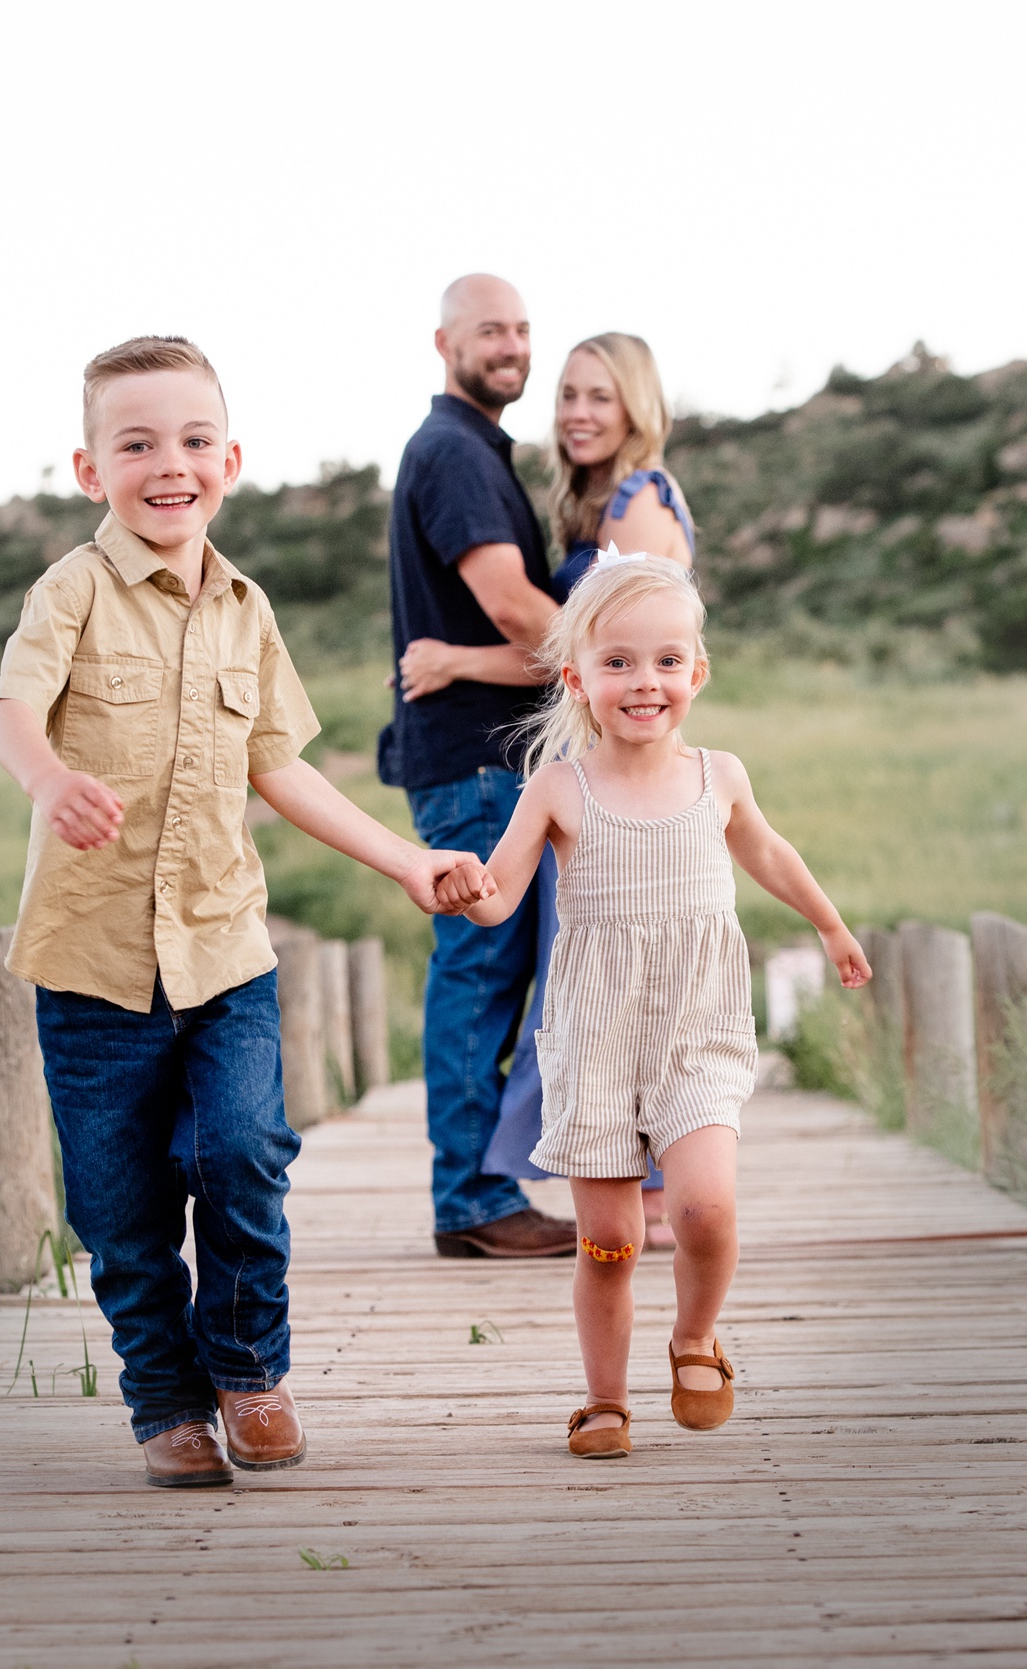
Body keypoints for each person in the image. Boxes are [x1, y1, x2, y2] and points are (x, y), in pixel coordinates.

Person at [0, 336, 486, 1488]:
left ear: (231, 458)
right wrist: (50, 780)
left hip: (222, 953)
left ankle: (251, 1371)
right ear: (88, 466)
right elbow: (9, 710)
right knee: (120, 1210)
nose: (171, 464)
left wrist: (406, 862)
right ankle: (165, 1402)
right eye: (138, 443)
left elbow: (282, 768)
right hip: (93, 967)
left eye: (194, 440)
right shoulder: (70, 591)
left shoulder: (247, 612)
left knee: (247, 1148)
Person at [446, 556, 870, 1457]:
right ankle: (604, 1398)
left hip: (696, 1030)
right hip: (597, 1037)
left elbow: (769, 853)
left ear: (697, 673)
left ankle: (694, 1335)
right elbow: (502, 893)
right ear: (579, 679)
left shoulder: (720, 776)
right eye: (620, 663)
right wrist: (464, 889)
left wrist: (830, 925)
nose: (646, 683)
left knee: (703, 1210)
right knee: (609, 1239)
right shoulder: (560, 786)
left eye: (668, 662)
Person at [401, 333, 695, 1245]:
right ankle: (575, 1191)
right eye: (568, 394)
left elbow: (626, 652)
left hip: (623, 781)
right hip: (583, 775)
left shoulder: (643, 506)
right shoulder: (589, 509)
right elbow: (584, 649)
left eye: (600, 396)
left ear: (636, 405)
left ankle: (639, 1193)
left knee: (614, 974)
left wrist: (459, 656)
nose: (577, 411)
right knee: (579, 977)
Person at [377, 274, 578, 1259]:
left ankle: (480, 1189)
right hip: (480, 763)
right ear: (444, 341)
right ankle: (468, 1198)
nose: (510, 344)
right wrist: (619, 654)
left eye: (522, 329)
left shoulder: (475, 449)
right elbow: (509, 605)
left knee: (489, 975)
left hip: (490, 757)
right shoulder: (453, 452)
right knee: (477, 973)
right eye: (488, 328)